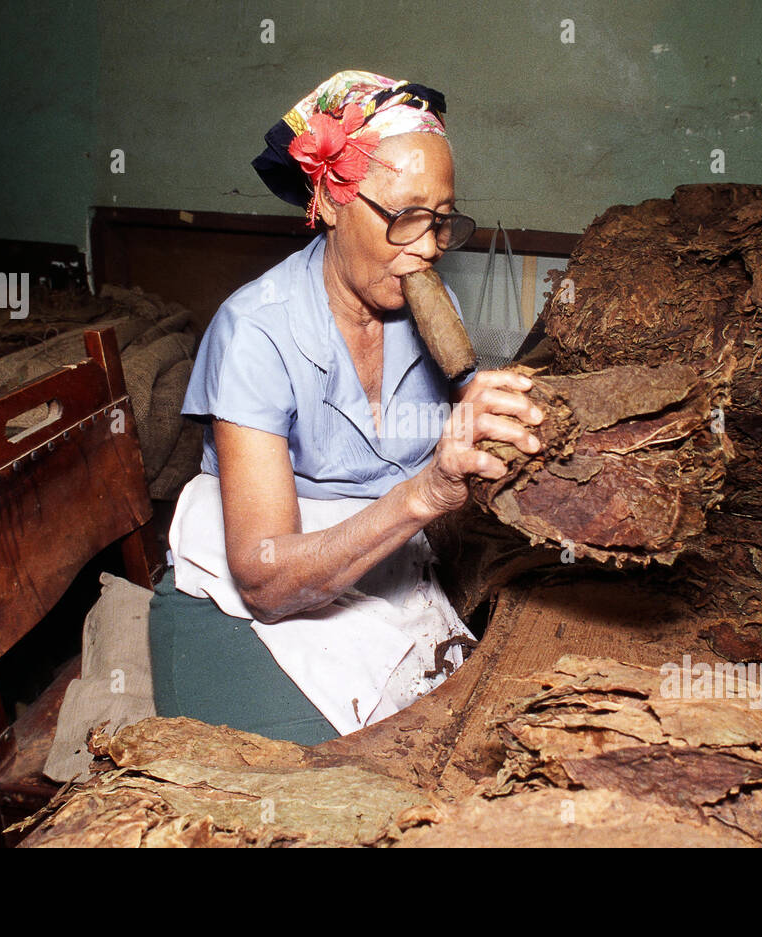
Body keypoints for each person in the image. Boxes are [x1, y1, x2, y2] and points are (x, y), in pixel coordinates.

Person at [149, 70, 543, 744]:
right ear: (331, 200)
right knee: (333, 790)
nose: (426, 247)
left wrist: (487, 417)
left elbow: (456, 433)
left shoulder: (432, 305)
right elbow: (267, 580)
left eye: (443, 222)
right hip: (255, 595)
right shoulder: (256, 332)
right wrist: (425, 493)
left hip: (379, 563)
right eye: (404, 217)